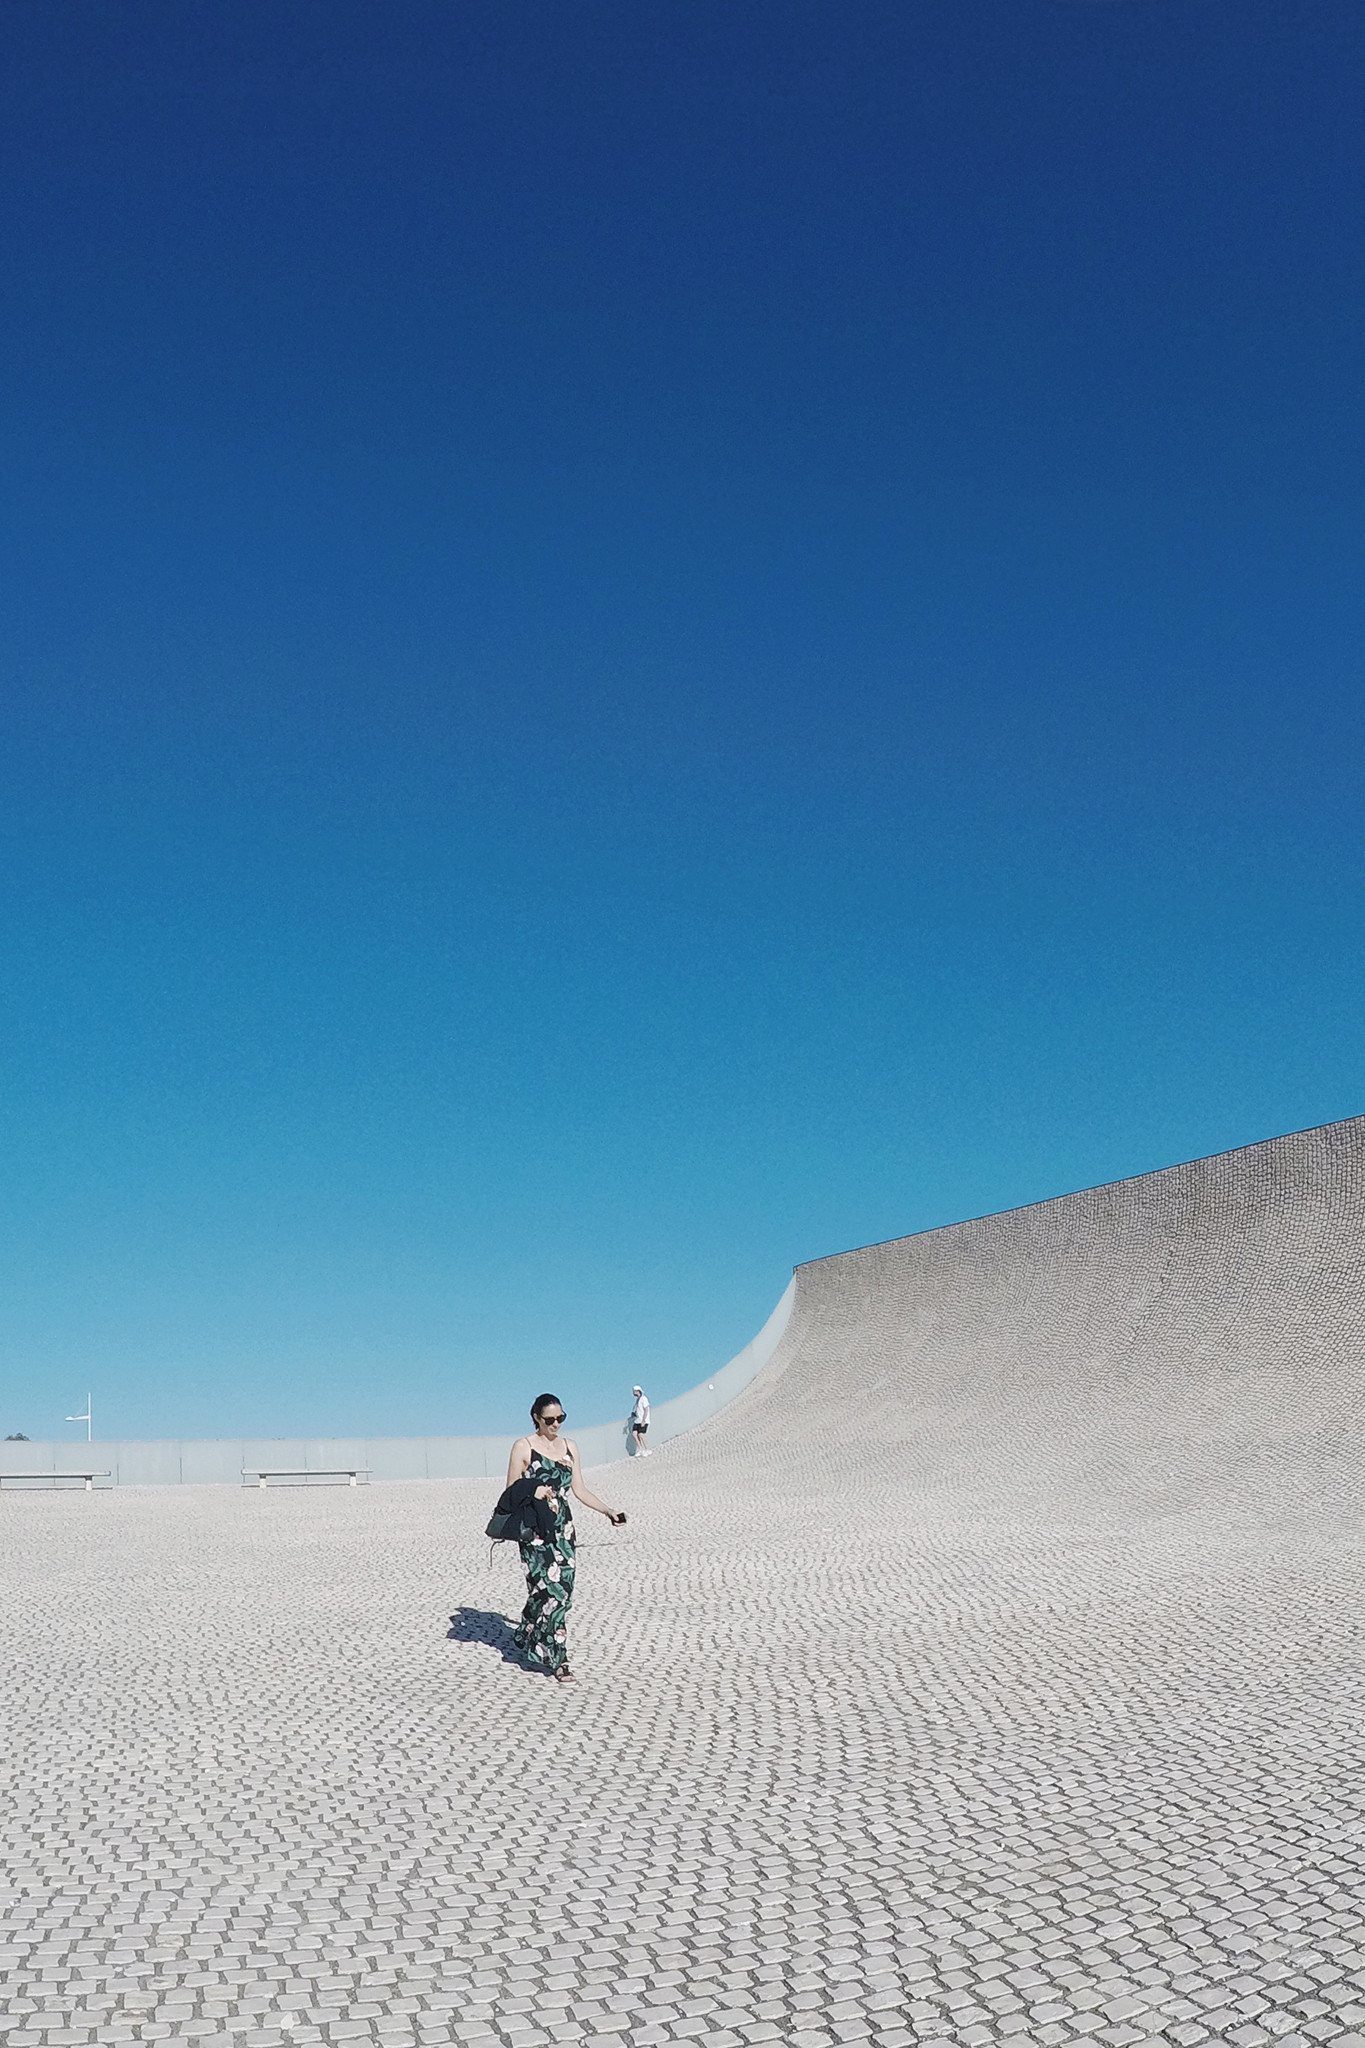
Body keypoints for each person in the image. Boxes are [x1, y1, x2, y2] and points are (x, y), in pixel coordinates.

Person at [505, 1393, 625, 1684]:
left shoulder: (570, 1447)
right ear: (536, 1418)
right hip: (535, 1531)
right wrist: (533, 1490)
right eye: (550, 1420)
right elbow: (510, 1491)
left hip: (563, 1530)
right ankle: (559, 1661)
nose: (556, 1424)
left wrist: (608, 1510)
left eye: (561, 1418)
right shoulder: (523, 1447)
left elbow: (579, 1489)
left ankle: (526, 1630)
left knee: (563, 1594)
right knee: (548, 1592)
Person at [629, 1385, 651, 1454]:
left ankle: (647, 1449)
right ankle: (640, 1449)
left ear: (637, 1391)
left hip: (643, 1420)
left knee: (641, 1434)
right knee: (634, 1434)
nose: (633, 1393)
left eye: (634, 1391)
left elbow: (646, 1410)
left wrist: (644, 1420)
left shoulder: (643, 1398)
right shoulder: (637, 1400)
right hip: (637, 1420)